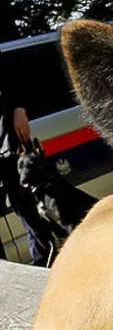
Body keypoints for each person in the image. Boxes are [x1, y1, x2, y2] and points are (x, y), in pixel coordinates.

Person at [0, 62, 56, 265]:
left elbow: (18, 75)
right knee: (24, 208)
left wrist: (19, 108)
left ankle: (45, 262)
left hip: (11, 147)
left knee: (29, 209)